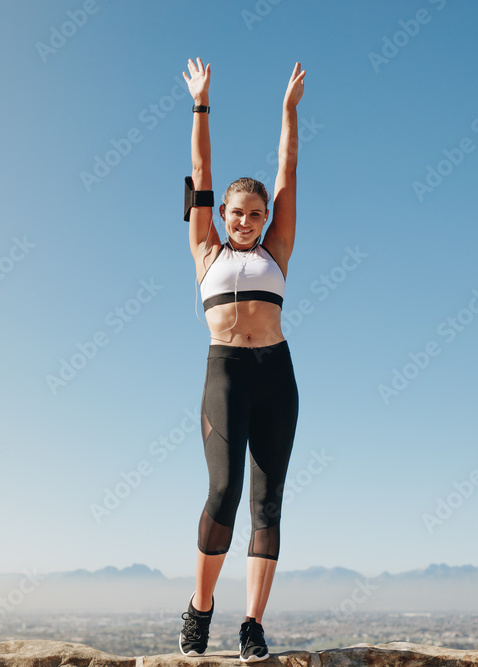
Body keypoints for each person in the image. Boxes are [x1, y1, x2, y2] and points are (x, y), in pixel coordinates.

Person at [177, 56, 306, 663]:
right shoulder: (206, 250)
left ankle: (251, 624)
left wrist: (288, 111)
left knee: (267, 500)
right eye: (238, 213)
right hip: (225, 372)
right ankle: (200, 608)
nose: (249, 220)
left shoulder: (278, 248)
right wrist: (201, 102)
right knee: (224, 488)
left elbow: (288, 172)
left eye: (257, 213)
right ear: (221, 217)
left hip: (276, 374)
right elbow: (200, 169)